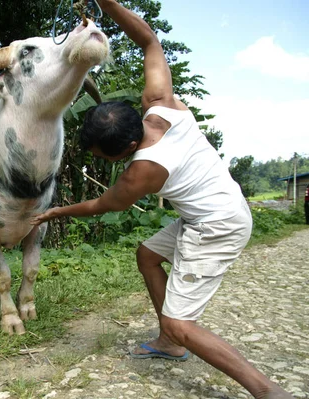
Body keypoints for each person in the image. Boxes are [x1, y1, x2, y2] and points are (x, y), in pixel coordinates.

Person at [31, 1, 293, 398]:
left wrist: (56, 210)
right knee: (147, 255)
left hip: (216, 225)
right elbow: (148, 39)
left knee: (180, 323)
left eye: (105, 158)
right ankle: (169, 345)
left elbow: (104, 206)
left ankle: (266, 390)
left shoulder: (145, 169)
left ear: (129, 146)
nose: (103, 162)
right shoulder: (161, 103)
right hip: (213, 208)